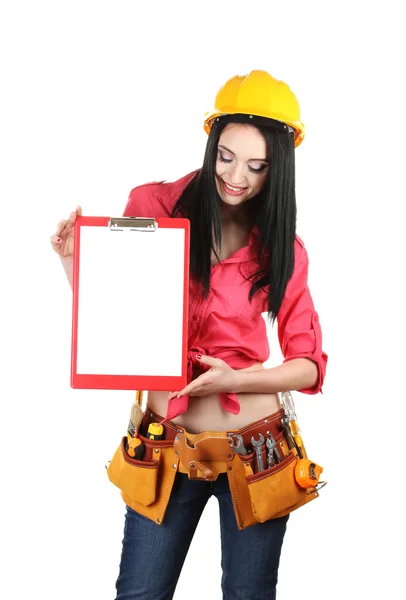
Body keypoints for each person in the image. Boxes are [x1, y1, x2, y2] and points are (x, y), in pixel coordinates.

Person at [51, 69, 328, 600]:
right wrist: (74, 263)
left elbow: (309, 364)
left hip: (258, 450)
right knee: (139, 594)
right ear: (211, 141)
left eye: (256, 166)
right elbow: (121, 321)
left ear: (278, 168)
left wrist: (239, 377)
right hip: (164, 446)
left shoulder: (284, 248)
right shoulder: (153, 206)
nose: (236, 177)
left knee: (248, 595)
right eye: (226, 155)